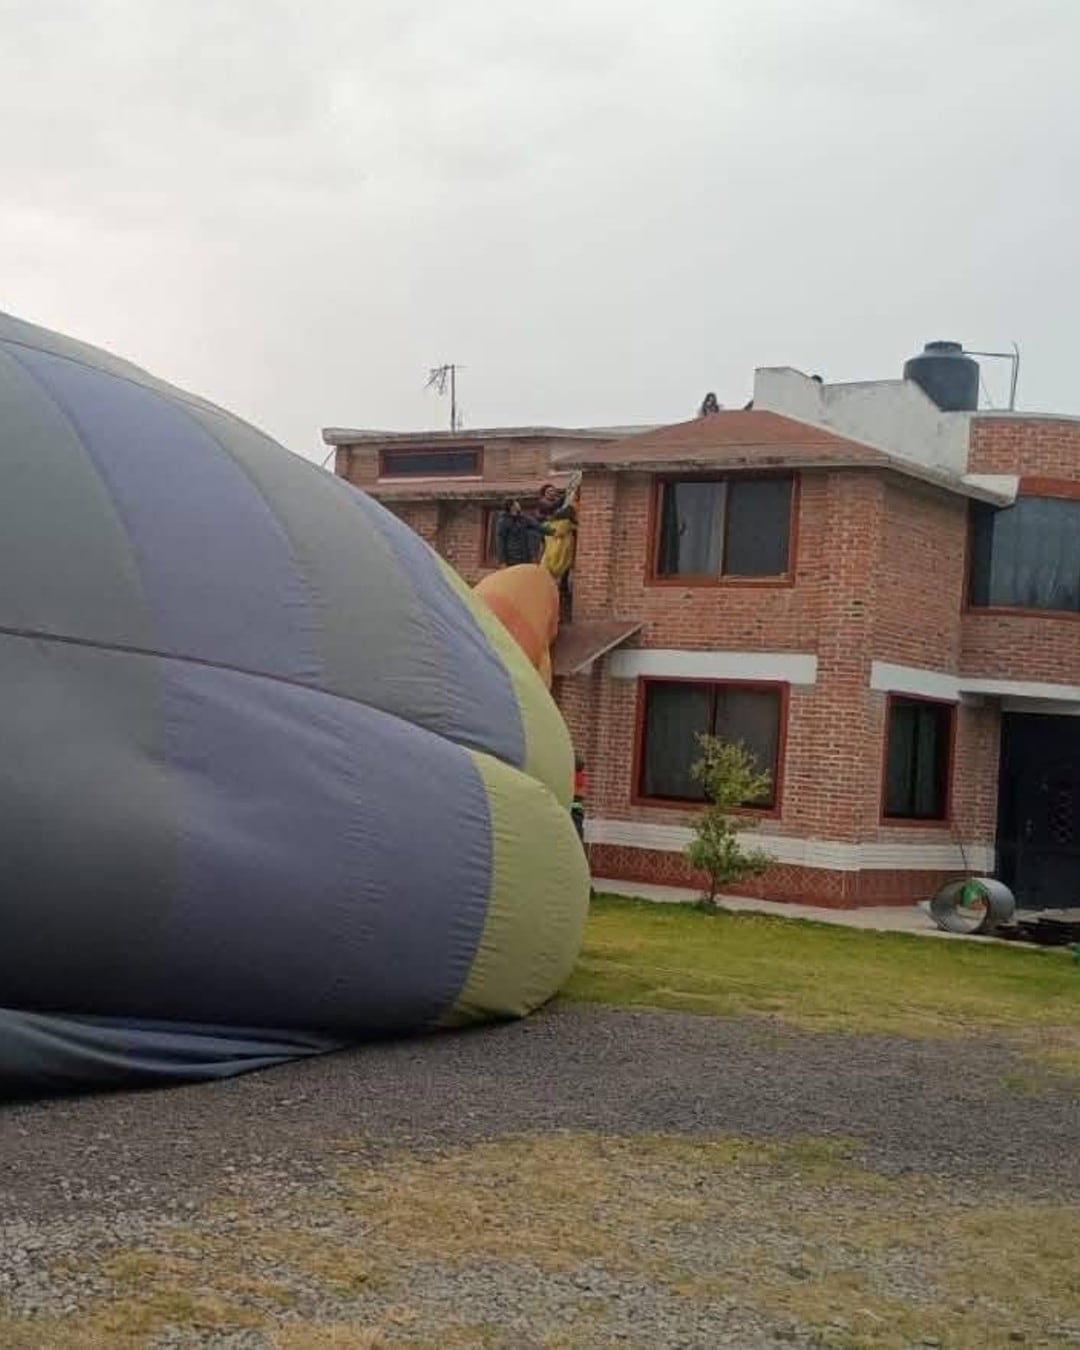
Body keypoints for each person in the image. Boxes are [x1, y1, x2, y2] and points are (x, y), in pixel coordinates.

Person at [494, 499, 547, 567]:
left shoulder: (523, 518)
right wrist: (502, 560)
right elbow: (500, 541)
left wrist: (552, 532)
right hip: (512, 558)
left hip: (525, 556)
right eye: (516, 503)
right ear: (512, 507)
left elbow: (537, 526)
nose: (519, 505)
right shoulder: (503, 521)